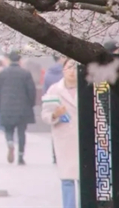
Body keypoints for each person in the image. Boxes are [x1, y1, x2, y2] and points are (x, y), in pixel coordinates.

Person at [41, 58, 79, 208]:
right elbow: (45, 114)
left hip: (85, 138)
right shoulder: (54, 90)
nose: (72, 71)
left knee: (86, 178)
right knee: (67, 178)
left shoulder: (89, 89)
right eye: (69, 67)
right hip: (64, 139)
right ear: (63, 69)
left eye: (75, 68)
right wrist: (55, 114)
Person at [0, 51, 36, 165]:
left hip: (6, 106)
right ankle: (21, 156)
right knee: (22, 132)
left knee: (8, 129)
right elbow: (31, 91)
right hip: (23, 108)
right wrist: (31, 104)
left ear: (9, 60)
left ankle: (10, 142)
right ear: (20, 60)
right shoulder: (26, 73)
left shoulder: (2, 74)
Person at [43, 54, 65, 164]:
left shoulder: (48, 73)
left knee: (56, 130)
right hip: (68, 105)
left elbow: (45, 90)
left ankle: (55, 154)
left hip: (54, 105)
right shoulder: (68, 72)